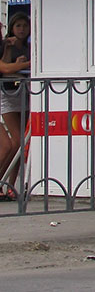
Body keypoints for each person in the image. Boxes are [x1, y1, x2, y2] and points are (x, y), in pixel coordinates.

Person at [0, 14, 31, 198]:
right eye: (18, 25)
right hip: (7, 95)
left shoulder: (28, 46)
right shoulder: (7, 45)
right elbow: (5, 68)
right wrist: (25, 64)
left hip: (22, 94)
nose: (21, 29)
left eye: (25, 25)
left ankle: (10, 186)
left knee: (17, 144)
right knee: (15, 142)